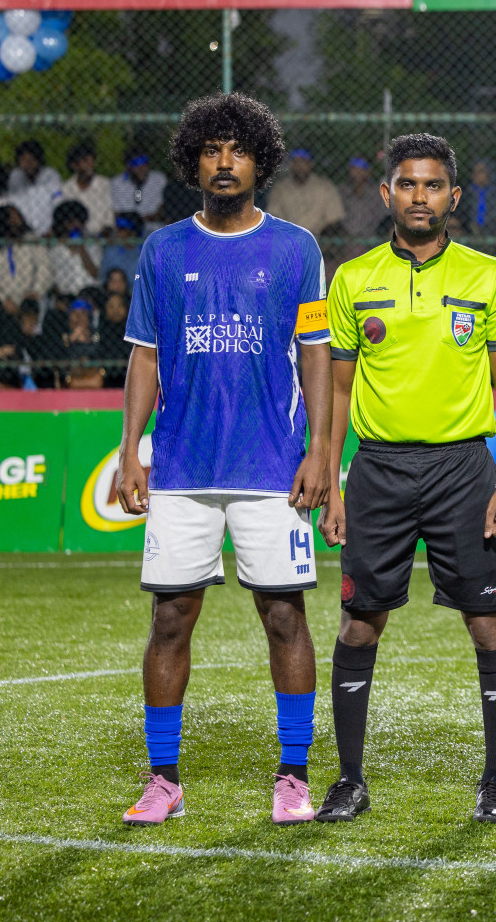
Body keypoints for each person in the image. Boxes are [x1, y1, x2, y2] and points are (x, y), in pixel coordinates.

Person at [113, 92, 332, 827]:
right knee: (170, 619)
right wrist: (129, 454)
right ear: (193, 162)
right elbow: (144, 358)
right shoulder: (163, 250)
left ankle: (294, 775)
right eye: (211, 149)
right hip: (180, 469)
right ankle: (163, 779)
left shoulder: (298, 249)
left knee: (283, 616)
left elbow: (317, 359)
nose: (225, 161)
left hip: (272, 469)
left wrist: (320, 456)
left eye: (238, 149)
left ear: (261, 160)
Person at [313, 134, 496, 826]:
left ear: (453, 197)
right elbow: (339, 393)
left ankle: (495, 781)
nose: (419, 197)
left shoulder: (488, 276)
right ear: (386, 195)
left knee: (489, 624)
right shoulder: (351, 279)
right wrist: (335, 480)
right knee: (358, 624)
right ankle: (350, 780)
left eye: (433, 186)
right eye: (406, 185)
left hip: (464, 471)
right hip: (378, 470)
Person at [0, 206, 51, 315]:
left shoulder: (32, 240)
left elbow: (45, 268)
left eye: (18, 219)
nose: (17, 223)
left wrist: (35, 291)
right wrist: (2, 298)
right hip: (0, 301)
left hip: (31, 298)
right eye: (12, 220)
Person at [268, 148, 345, 237]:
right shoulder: (280, 188)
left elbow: (334, 218)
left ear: (311, 164)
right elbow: (274, 215)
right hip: (288, 238)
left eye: (303, 162)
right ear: (291, 165)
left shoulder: (325, 186)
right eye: (296, 162)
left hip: (318, 240)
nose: (299, 167)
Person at [5, 138, 64, 237]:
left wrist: (53, 229)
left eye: (31, 160)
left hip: (48, 232)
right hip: (23, 233)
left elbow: (58, 203)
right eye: (23, 160)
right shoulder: (15, 177)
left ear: (39, 160)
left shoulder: (50, 175)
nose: (27, 164)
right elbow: (12, 203)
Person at [48, 200, 102, 295]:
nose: (74, 226)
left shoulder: (92, 245)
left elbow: (95, 273)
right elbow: (53, 281)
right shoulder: (56, 249)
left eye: (78, 222)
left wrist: (81, 248)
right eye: (70, 222)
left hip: (90, 293)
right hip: (65, 295)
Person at [60, 141, 114, 235]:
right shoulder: (67, 188)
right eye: (85, 161)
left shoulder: (105, 184)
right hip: (76, 237)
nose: (90, 165)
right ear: (74, 165)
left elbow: (109, 221)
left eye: (91, 161)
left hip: (102, 238)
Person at [111, 152, 168, 235]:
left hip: (154, 228)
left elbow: (162, 209)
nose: (142, 169)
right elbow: (117, 213)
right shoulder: (117, 182)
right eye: (137, 165)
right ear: (128, 167)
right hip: (127, 229)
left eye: (144, 164)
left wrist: (141, 220)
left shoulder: (159, 179)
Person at [335, 156, 388, 240]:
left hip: (370, 235)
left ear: (368, 171)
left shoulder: (376, 191)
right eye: (354, 169)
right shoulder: (342, 190)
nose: (358, 172)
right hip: (345, 236)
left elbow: (380, 215)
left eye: (362, 169)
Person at [461, 158, 496, 236]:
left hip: (493, 229)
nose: (476, 175)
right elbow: (463, 212)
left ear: (489, 173)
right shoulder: (468, 191)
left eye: (480, 172)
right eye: (475, 172)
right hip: (470, 230)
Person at [100, 213, 143, 282]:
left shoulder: (144, 253)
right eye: (117, 229)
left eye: (122, 229)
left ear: (133, 232)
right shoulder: (111, 251)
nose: (117, 232)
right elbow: (103, 278)